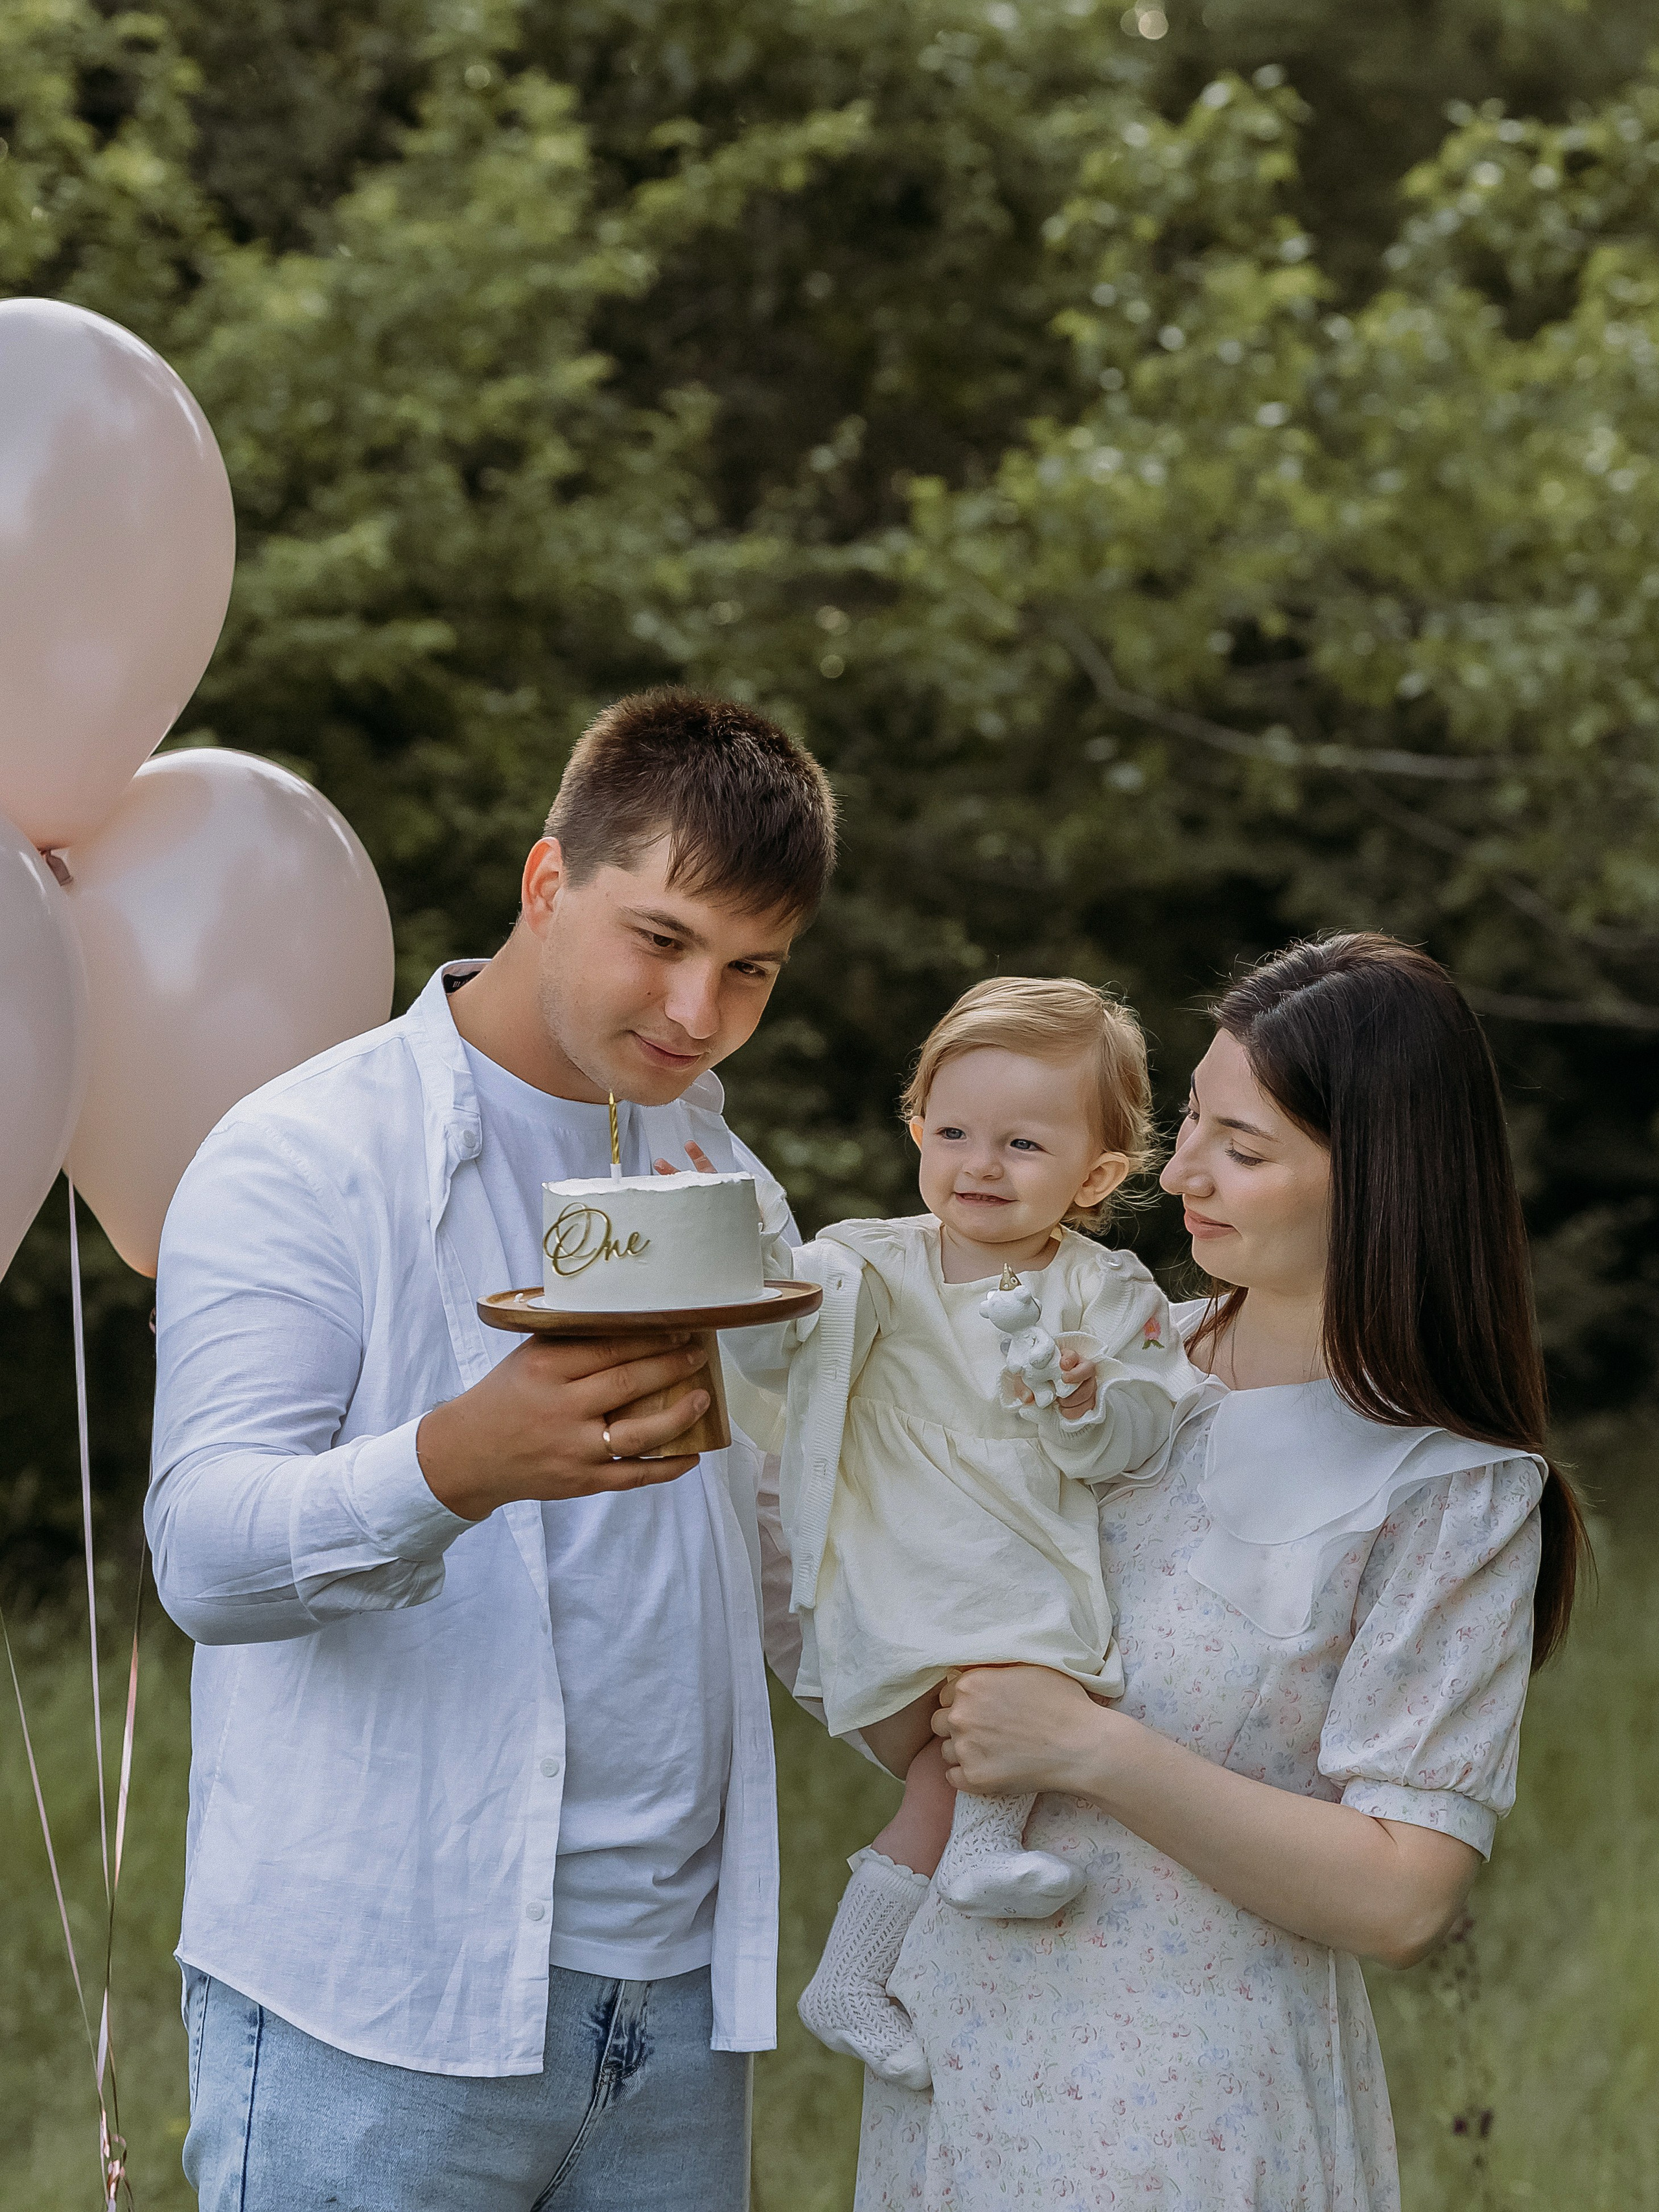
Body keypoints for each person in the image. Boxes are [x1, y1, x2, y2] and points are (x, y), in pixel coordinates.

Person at [145, 690, 837, 2212]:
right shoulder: (304, 1152)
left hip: (677, 2010)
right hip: (372, 2005)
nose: (698, 1011)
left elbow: (789, 1565)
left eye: (750, 969)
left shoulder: (725, 1181)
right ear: (545, 881)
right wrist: (460, 1460)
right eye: (660, 939)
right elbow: (201, 1555)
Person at [853, 933, 1588, 2212]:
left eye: (1242, 1148)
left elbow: (1403, 1897)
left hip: (1185, 2115)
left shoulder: (1444, 1487)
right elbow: (920, 1693)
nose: (1180, 1168)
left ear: (1380, 1180)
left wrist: (1092, 1750)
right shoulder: (1099, 1358)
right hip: (951, 2062)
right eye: (1192, 1116)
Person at [724, 977, 1202, 2091]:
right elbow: (767, 1353)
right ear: (916, 1127)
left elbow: (1137, 1429)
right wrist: (741, 1263)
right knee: (1005, 1685)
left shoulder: (1105, 1291)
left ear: (1096, 1175)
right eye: (953, 1133)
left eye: (1022, 1143)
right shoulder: (866, 1266)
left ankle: (862, 1964)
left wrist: (1088, 1398)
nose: (980, 1164)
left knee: (967, 1749)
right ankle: (975, 1852)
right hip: (897, 1566)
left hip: (1010, 1558)